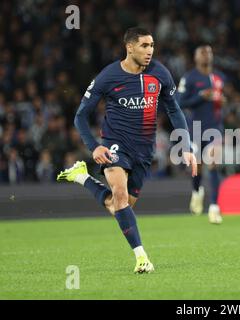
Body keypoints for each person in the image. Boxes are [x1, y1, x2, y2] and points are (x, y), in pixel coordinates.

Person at [56, 27, 197, 274]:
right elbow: (80, 117)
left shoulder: (160, 73)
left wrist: (186, 146)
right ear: (129, 47)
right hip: (115, 144)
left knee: (120, 206)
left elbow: (174, 110)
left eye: (152, 45)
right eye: (144, 45)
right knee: (120, 197)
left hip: (144, 150)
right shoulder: (108, 76)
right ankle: (142, 258)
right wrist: (94, 146)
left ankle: (82, 177)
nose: (150, 51)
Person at [177, 45, 226, 224]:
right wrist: (200, 96)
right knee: (197, 167)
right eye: (202, 52)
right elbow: (179, 103)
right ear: (196, 57)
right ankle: (197, 192)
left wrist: (221, 100)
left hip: (215, 128)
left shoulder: (220, 77)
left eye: (209, 52)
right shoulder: (189, 78)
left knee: (213, 163)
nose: (207, 55)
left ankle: (214, 208)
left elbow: (222, 99)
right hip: (195, 129)